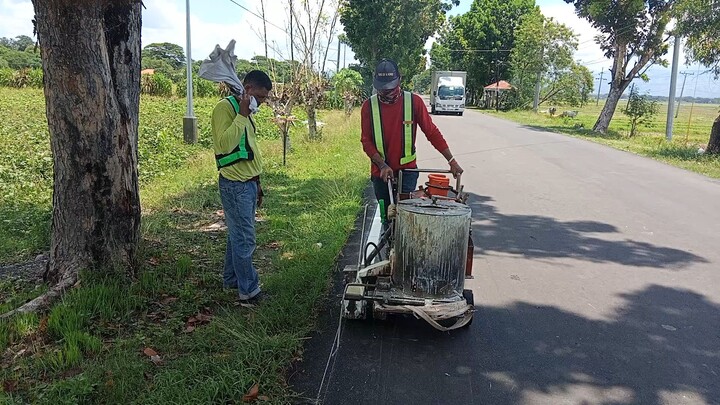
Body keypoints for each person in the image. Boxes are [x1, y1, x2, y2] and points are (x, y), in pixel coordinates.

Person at [360, 59, 464, 224]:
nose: (386, 92)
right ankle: (386, 243)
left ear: (399, 80)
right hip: (380, 174)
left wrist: (451, 160)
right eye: (382, 88)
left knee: (406, 219)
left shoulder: (413, 102)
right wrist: (382, 165)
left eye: (390, 87)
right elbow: (366, 141)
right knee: (388, 219)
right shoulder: (368, 107)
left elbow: (432, 132)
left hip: (407, 173)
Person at [211, 70, 272, 305]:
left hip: (248, 183)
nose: (263, 102)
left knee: (237, 235)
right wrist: (242, 116)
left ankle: (232, 279)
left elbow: (249, 149)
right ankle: (249, 291)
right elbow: (224, 145)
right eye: (261, 96)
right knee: (245, 238)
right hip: (235, 184)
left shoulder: (245, 109)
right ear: (247, 89)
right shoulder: (225, 109)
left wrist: (257, 183)